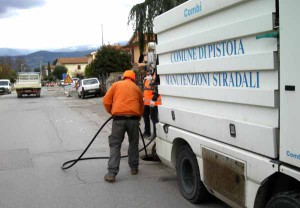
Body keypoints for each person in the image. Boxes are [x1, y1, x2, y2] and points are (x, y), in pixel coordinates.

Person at [102, 70, 144, 182]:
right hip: (133, 120)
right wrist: (138, 117)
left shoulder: (116, 85)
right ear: (133, 78)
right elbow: (141, 105)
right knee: (133, 143)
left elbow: (106, 101)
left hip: (118, 119)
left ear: (123, 77)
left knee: (115, 144)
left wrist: (112, 112)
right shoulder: (136, 88)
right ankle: (134, 168)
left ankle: (111, 173)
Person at [142, 71, 153, 138]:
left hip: (153, 102)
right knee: (146, 117)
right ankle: (147, 132)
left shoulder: (152, 79)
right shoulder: (146, 79)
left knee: (154, 118)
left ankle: (153, 134)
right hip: (147, 102)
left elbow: (150, 88)